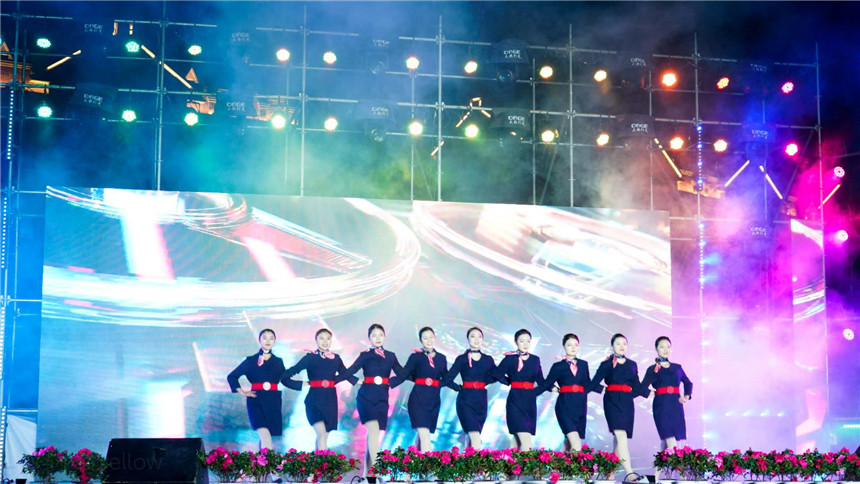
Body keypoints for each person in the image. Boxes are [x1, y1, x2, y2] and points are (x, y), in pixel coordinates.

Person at [343, 323, 403, 483]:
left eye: (380, 335)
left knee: (374, 436)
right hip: (366, 398)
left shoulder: (391, 356)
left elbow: (402, 373)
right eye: (374, 335)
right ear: (369, 338)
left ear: (384, 337)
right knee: (374, 432)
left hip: (382, 400)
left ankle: (367, 475)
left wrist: (392, 382)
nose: (377, 338)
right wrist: (357, 381)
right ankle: (376, 472)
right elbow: (348, 372)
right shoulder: (365, 355)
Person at [281, 328, 358, 450]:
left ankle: (318, 460)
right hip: (314, 400)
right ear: (316, 340)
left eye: (328, 339)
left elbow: (346, 374)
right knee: (321, 434)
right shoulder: (310, 358)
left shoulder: (336, 359)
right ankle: (323, 462)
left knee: (324, 436)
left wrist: (361, 382)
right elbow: (286, 376)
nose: (325, 341)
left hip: (330, 401)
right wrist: (301, 384)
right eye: (322, 338)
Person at [390, 326, 459, 451]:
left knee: (421, 436)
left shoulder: (441, 358)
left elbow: (446, 378)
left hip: (433, 400)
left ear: (435, 338)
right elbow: (403, 374)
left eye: (431, 337)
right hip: (418, 398)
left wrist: (459, 388)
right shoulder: (415, 357)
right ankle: (428, 462)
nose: (429, 340)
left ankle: (414, 461)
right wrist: (386, 382)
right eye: (425, 338)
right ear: (421, 340)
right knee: (424, 433)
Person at [590, 333, 644, 482]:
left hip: (627, 403)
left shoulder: (632, 364)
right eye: (618, 343)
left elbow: (637, 387)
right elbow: (593, 383)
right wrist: (604, 389)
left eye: (624, 344)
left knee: (618, 439)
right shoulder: (606, 364)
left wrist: (652, 391)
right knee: (621, 436)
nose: (621, 346)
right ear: (612, 346)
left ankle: (610, 472)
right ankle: (630, 473)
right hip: (612, 402)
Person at [227, 328, 286, 451]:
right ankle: (268, 462)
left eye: (271, 338)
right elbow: (232, 376)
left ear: (275, 341)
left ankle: (261, 461)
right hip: (256, 400)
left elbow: (285, 379)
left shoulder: (278, 362)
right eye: (265, 338)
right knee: (265, 434)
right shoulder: (250, 360)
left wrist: (304, 383)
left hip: (273, 401)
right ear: (259, 340)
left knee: (267, 435)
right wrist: (242, 392)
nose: (268, 341)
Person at [538, 333, 599, 451]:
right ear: (564, 347)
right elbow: (547, 383)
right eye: (569, 345)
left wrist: (606, 389)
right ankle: (578, 464)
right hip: (564, 407)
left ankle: (557, 463)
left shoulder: (583, 364)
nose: (573, 347)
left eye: (576, 345)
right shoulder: (558, 366)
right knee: (576, 444)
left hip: (580, 407)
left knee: (568, 444)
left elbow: (588, 383)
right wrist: (548, 389)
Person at [442, 326, 499, 449]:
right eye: (473, 336)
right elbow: (447, 379)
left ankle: (467, 458)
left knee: (472, 435)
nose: (476, 339)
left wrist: (484, 382)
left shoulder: (488, 360)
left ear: (483, 339)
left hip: (481, 401)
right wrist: (458, 388)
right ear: (468, 339)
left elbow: (496, 375)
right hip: (465, 400)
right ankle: (477, 461)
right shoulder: (462, 359)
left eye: (479, 336)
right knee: (474, 435)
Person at [489, 328, 545, 451]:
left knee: (517, 441)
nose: (525, 344)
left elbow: (541, 381)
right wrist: (508, 381)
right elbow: (496, 374)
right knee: (526, 440)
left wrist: (552, 387)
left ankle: (509, 463)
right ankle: (526, 464)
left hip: (529, 402)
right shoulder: (510, 358)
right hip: (515, 400)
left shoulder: (535, 359)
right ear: (516, 342)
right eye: (522, 341)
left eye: (528, 341)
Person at [639, 336, 693, 453]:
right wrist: (652, 392)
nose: (665, 349)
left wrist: (686, 396)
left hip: (676, 405)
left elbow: (688, 383)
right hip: (661, 406)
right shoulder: (652, 369)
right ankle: (677, 462)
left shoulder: (677, 367)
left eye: (668, 347)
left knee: (667, 441)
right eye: (662, 347)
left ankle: (661, 464)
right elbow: (641, 388)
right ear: (656, 349)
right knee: (669, 436)